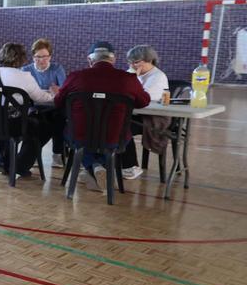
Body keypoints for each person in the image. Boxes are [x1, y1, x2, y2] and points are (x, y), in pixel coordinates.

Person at [53, 41, 150, 186]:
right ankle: (98, 167)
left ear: (90, 60)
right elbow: (144, 101)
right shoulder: (128, 79)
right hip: (115, 137)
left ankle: (93, 167)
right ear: (113, 59)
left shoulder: (75, 77)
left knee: (75, 134)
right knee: (112, 137)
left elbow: (58, 102)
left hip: (80, 135)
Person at [0, 43, 54, 178]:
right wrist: (54, 94)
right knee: (43, 127)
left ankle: (3, 161)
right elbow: (42, 98)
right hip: (14, 125)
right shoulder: (24, 76)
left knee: (6, 117)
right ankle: (20, 165)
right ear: (21, 58)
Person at [120, 44, 170, 180]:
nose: (133, 65)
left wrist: (131, 79)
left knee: (123, 128)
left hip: (152, 118)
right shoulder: (134, 74)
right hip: (136, 114)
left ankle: (130, 166)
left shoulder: (158, 77)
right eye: (130, 62)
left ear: (150, 60)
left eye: (136, 62)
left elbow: (142, 99)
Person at [21, 38, 67, 167]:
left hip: (54, 106)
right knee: (33, 122)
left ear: (50, 56)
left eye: (45, 57)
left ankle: (57, 154)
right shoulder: (26, 70)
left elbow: (64, 91)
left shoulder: (57, 68)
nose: (41, 60)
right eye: (38, 57)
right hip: (35, 106)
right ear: (33, 56)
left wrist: (59, 90)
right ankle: (32, 154)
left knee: (60, 119)